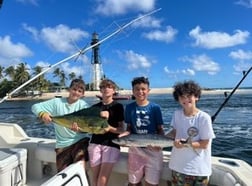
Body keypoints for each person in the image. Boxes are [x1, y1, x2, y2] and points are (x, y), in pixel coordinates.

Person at [31, 79, 90, 172]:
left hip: (80, 142)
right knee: (63, 174)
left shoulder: (84, 106)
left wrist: (79, 130)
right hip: (62, 144)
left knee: (80, 169)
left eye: (79, 91)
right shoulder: (56, 102)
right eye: (74, 89)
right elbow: (35, 107)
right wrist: (43, 114)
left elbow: (88, 128)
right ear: (69, 89)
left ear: (82, 94)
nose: (76, 93)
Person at [168, 80, 216, 186]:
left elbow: (204, 144)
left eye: (189, 96)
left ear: (196, 97)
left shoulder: (204, 118)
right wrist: (158, 140)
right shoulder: (177, 114)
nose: (185, 99)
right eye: (182, 97)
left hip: (198, 169)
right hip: (177, 166)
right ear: (178, 99)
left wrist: (186, 144)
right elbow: (174, 132)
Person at [124, 76, 165, 186]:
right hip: (135, 149)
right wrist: (124, 136)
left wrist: (159, 145)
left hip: (153, 150)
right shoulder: (129, 108)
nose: (140, 92)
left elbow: (160, 129)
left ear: (148, 91)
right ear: (133, 91)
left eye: (143, 89)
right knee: (133, 182)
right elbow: (129, 128)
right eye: (137, 89)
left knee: (151, 183)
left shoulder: (155, 108)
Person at [88, 79, 125, 186]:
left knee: (103, 177)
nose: (106, 89)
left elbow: (121, 130)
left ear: (114, 90)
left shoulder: (118, 107)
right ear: (100, 90)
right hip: (95, 142)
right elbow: (90, 127)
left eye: (109, 87)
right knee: (94, 176)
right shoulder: (94, 108)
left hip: (111, 144)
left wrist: (109, 128)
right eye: (103, 87)